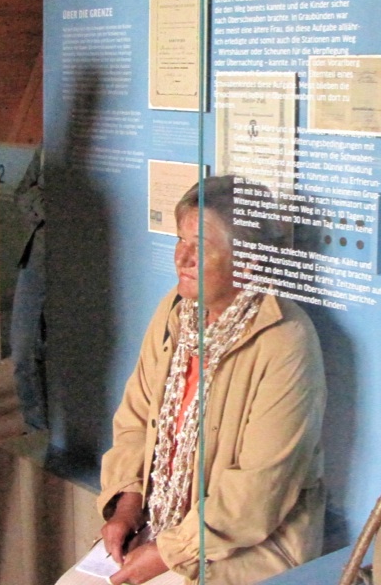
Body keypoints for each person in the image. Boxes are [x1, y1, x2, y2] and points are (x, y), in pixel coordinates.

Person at [90, 176, 326, 585]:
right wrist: (127, 504)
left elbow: (258, 491)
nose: (182, 258)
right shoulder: (175, 311)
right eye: (180, 240)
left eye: (200, 247)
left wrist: (169, 553)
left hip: (248, 549)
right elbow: (135, 418)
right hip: (163, 524)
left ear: (247, 260)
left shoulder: (286, 340)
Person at [11, 147, 47, 432]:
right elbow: (22, 192)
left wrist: (40, 198)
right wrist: (46, 205)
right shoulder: (50, 142)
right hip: (38, 256)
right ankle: (37, 429)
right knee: (23, 348)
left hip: (79, 260)